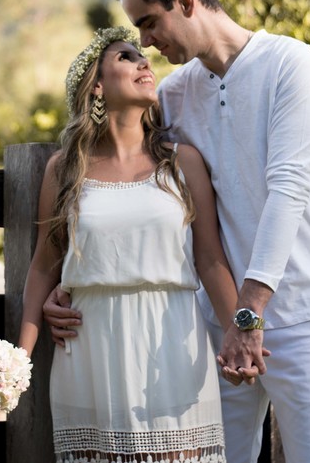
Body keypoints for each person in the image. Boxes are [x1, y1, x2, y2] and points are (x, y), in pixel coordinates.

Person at [46, 0, 310, 462]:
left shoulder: (292, 65)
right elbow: (131, 190)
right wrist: (68, 281)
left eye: (148, 23)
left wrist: (249, 316)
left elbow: (288, 192)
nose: (144, 42)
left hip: (300, 318)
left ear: (186, 1)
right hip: (211, 331)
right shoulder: (173, 95)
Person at [19, 25, 243, 463]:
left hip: (172, 344)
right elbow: (45, 265)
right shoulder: (64, 169)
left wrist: (241, 331)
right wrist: (16, 362)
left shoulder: (183, 163)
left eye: (143, 56)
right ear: (97, 85)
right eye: (126, 57)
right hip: (89, 352)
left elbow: (210, 260)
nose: (144, 62)